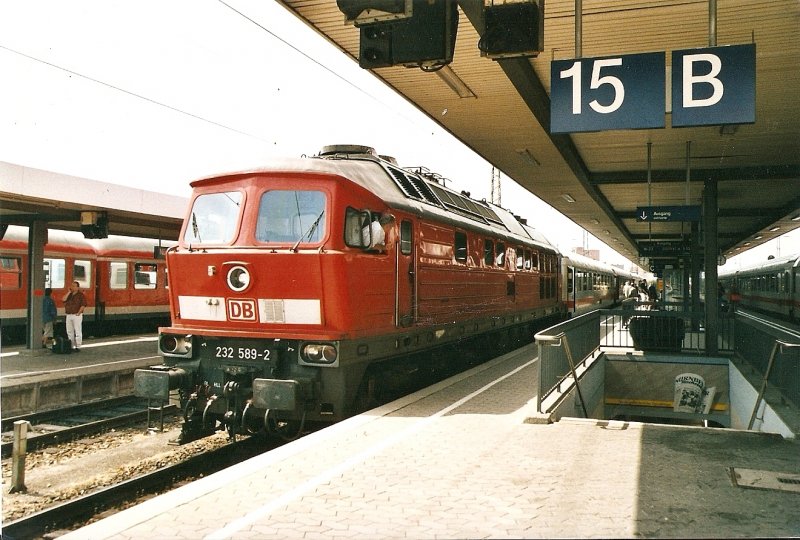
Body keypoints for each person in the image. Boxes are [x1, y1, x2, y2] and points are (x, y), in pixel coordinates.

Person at [63, 281, 87, 352]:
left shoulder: (81, 295)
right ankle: (71, 345)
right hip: (69, 315)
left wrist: (78, 313)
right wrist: (68, 292)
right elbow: (63, 299)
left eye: (74, 286)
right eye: (71, 286)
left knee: (77, 330)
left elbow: (83, 305)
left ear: (77, 287)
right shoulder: (69, 295)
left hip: (76, 315)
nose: (72, 287)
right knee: (69, 331)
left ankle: (78, 346)